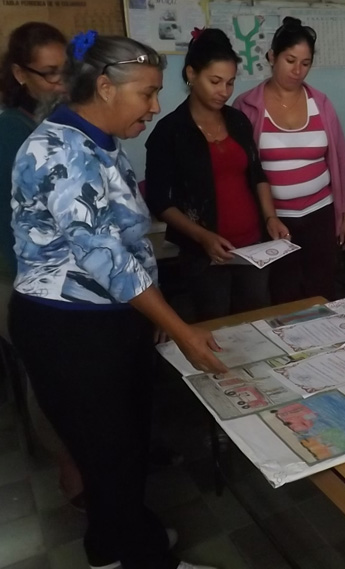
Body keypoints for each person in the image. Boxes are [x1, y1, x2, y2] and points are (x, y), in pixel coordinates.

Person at [8, 31, 226, 569]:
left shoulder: (98, 142)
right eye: (147, 93)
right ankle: (146, 559)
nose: (155, 106)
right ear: (105, 87)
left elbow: (125, 242)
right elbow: (105, 259)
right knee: (110, 457)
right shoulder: (61, 149)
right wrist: (180, 328)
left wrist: (144, 314)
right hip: (68, 330)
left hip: (105, 321)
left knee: (117, 453)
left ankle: (110, 551)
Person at [0, 20, 86, 511]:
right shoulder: (11, 132)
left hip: (69, 275)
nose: (60, 83)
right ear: (20, 73)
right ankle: (69, 467)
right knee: (48, 375)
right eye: (49, 74)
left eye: (65, 72)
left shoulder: (58, 123)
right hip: (25, 278)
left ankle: (86, 456)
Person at [146, 28, 286, 321]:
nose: (224, 91)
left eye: (231, 82)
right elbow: (159, 200)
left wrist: (271, 217)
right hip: (206, 255)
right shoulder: (170, 132)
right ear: (191, 74)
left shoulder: (237, 120)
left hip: (253, 247)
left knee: (258, 321)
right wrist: (204, 237)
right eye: (215, 81)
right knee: (218, 325)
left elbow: (257, 174)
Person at [234, 17, 345, 303]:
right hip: (275, 220)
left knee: (322, 291)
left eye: (305, 63)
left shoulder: (321, 104)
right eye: (290, 60)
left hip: (320, 214)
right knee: (283, 294)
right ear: (272, 56)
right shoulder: (247, 106)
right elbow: (244, 171)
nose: (297, 70)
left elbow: (339, 161)